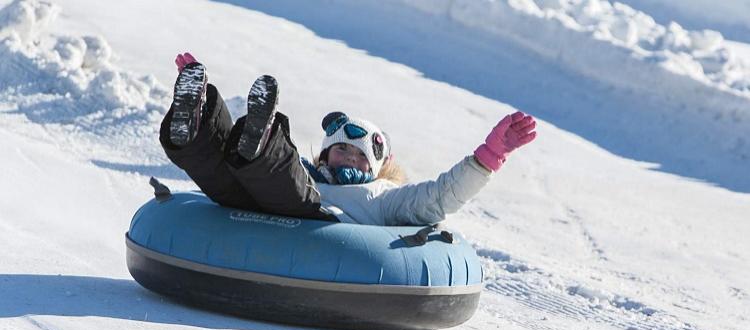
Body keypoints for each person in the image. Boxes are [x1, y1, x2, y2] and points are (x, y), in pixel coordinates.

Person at [160, 53, 537, 226]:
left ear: (374, 166)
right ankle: (198, 118)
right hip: (256, 206)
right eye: (340, 149)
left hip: (312, 220)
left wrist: (490, 155)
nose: (347, 159)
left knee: (284, 179)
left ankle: (261, 141)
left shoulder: (384, 196)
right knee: (224, 173)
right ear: (325, 154)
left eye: (358, 156)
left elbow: (440, 196)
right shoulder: (310, 170)